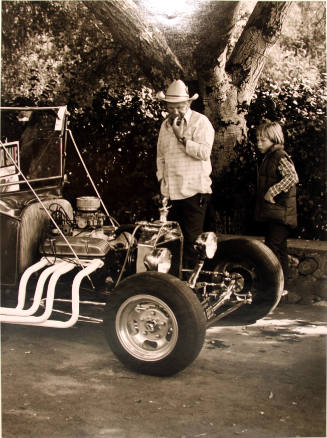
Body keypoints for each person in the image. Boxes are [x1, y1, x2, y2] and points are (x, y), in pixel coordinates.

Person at [156, 79, 215, 267]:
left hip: (194, 193)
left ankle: (190, 290)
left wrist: (182, 137)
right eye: (171, 107)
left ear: (188, 103)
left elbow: (204, 153)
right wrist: (162, 185)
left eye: (179, 107)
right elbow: (161, 158)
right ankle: (174, 286)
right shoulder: (164, 126)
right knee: (170, 243)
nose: (175, 112)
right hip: (171, 195)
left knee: (192, 244)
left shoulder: (201, 122)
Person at [254, 120, 299, 289]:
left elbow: (292, 177)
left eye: (263, 140)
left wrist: (272, 191)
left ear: (274, 139)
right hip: (275, 213)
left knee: (272, 250)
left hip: (280, 213)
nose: (259, 143)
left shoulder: (279, 156)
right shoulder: (270, 157)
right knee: (279, 249)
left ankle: (273, 287)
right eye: (257, 139)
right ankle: (281, 288)